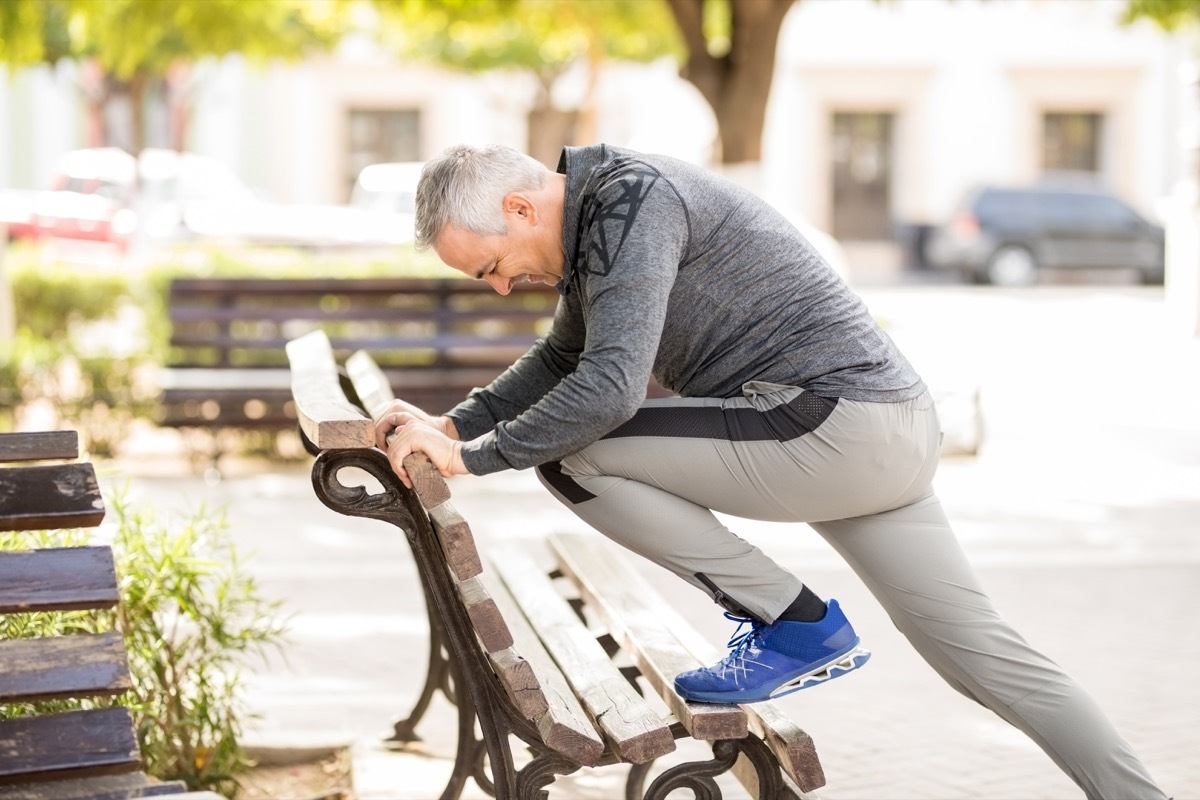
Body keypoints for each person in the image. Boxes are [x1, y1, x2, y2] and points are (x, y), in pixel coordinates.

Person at [374, 142, 1166, 800]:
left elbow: (608, 391)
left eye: (493, 267)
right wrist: (451, 424)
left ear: (519, 209)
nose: (505, 285)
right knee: (982, 659)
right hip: (882, 430)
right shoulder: (599, 221)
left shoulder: (628, 204)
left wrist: (472, 459)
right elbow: (563, 356)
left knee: (577, 452)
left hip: (830, 426)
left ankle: (793, 620)